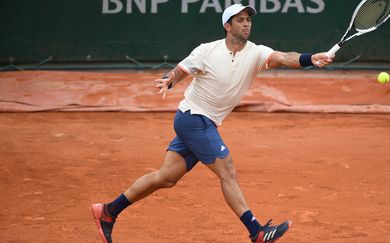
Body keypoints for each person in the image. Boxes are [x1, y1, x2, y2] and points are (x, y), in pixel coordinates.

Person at [92, 3, 333, 243]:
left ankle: (108, 211)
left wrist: (312, 58)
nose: (246, 23)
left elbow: (284, 58)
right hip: (193, 119)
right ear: (227, 26)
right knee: (227, 170)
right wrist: (169, 81)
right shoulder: (207, 51)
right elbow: (181, 70)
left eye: (248, 19)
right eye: (240, 20)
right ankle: (257, 232)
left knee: (166, 177)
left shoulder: (256, 53)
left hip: (204, 123)